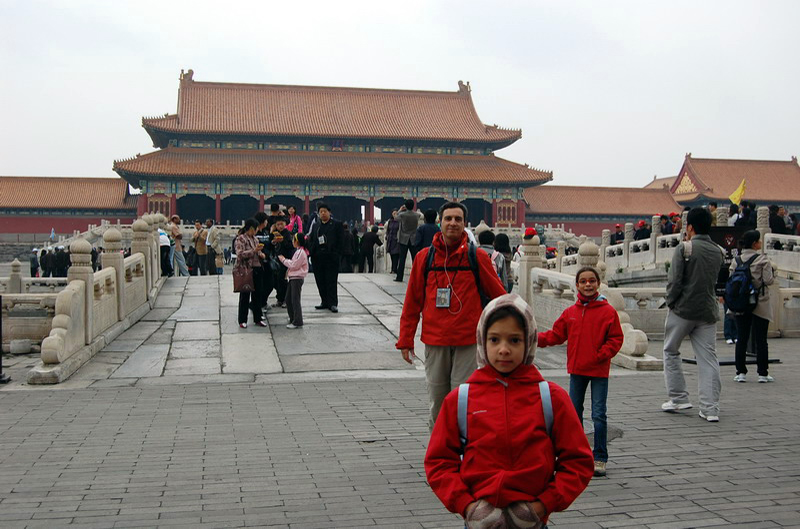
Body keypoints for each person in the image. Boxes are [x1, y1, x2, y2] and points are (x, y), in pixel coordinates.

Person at [425, 294, 594, 528]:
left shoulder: (551, 398)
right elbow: (439, 461)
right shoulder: (460, 399)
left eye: (514, 340)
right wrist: (467, 506)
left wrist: (543, 505)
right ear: (482, 341)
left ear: (529, 342)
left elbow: (578, 461)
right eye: (494, 339)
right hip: (480, 520)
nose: (503, 349)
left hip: (532, 521)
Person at [397, 201, 507, 429]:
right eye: (448, 219)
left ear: (465, 224)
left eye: (458, 219)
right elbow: (412, 303)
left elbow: (500, 298)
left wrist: (510, 335)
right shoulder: (424, 258)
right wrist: (406, 339)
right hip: (435, 341)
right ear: (440, 222)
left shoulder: (476, 257)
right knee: (438, 401)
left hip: (467, 341)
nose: (453, 223)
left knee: (463, 399)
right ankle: (440, 447)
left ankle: (463, 447)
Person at [537, 267, 623, 477]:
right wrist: (533, 339)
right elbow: (556, 335)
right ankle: (575, 455)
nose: (587, 284)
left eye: (591, 281)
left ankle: (600, 457)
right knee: (574, 414)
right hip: (577, 370)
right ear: (577, 285)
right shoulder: (571, 313)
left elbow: (616, 339)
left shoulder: (608, 311)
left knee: (598, 415)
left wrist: (601, 354)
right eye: (583, 281)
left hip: (599, 370)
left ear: (598, 283)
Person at [662, 207, 725, 422]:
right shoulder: (719, 251)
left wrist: (671, 302)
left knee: (671, 350)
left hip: (683, 310)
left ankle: (678, 398)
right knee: (708, 359)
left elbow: (674, 281)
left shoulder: (685, 248)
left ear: (689, 227)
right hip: (707, 311)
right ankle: (710, 409)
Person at [732, 230, 775, 383]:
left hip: (741, 303)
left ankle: (741, 372)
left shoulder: (736, 260)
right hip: (760, 302)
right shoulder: (762, 260)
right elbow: (768, 280)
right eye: (759, 241)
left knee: (742, 338)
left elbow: (732, 280)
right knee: (761, 339)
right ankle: (762, 373)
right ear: (755, 243)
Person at [308, 202, 344, 313]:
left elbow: (341, 240)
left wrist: (337, 253)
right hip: (318, 257)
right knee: (320, 280)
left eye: (324, 211)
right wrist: (312, 252)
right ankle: (324, 301)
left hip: (331, 257)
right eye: (321, 212)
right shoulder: (316, 225)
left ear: (329, 212)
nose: (323, 213)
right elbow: (311, 239)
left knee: (331, 281)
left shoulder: (336, 224)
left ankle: (332, 303)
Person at [234, 218, 267, 329]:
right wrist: (254, 251)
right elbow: (240, 254)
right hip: (246, 269)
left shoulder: (255, 239)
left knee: (258, 294)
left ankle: (258, 318)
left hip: (257, 268)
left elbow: (258, 252)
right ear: (252, 228)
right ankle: (242, 319)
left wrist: (261, 254)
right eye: (256, 228)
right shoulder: (241, 239)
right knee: (245, 295)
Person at [279, 233, 309, 329]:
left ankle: (297, 321)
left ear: (297, 241)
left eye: (293, 240)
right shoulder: (298, 251)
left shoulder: (300, 252)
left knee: (295, 300)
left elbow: (294, 265)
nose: (292, 242)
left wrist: (284, 260)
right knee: (288, 299)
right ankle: (293, 318)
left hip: (297, 278)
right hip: (292, 278)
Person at [270, 216, 294, 308]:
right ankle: (279, 299)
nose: (280, 226)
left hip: (285, 260)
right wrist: (273, 240)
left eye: (281, 224)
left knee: (283, 280)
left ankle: (286, 300)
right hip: (276, 261)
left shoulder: (287, 234)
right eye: (278, 224)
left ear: (285, 224)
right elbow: (271, 244)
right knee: (277, 280)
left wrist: (283, 241)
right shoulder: (275, 233)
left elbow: (291, 246)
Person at [394, 200, 420, 282]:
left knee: (402, 259)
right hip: (413, 238)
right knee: (415, 259)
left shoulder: (402, 215)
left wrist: (400, 210)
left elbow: (395, 217)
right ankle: (417, 277)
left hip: (403, 239)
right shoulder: (417, 215)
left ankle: (399, 277)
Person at [254, 212, 273, 309]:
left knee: (270, 283)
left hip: (267, 260)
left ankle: (263, 301)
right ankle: (259, 304)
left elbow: (269, 244)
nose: (267, 222)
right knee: (260, 285)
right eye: (265, 220)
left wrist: (273, 242)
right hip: (259, 262)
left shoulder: (266, 232)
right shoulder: (255, 233)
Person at [385, 209, 400, 274]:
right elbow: (388, 230)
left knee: (396, 255)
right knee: (391, 254)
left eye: (396, 213)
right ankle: (392, 269)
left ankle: (394, 269)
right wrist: (387, 236)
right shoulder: (390, 221)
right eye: (394, 214)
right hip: (390, 240)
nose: (395, 215)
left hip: (396, 240)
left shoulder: (399, 221)